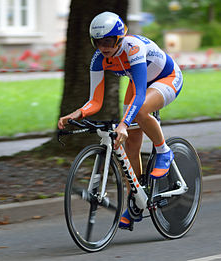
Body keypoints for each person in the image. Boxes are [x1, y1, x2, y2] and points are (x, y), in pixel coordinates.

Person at [58, 11, 183, 230]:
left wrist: (124, 124)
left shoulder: (132, 47)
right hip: (140, 83)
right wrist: (78, 112)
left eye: (108, 41)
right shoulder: (99, 59)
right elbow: (95, 101)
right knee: (129, 146)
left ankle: (164, 151)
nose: (103, 47)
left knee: (141, 111)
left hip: (167, 78)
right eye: (98, 42)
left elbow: (141, 95)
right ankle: (136, 200)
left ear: (119, 38)